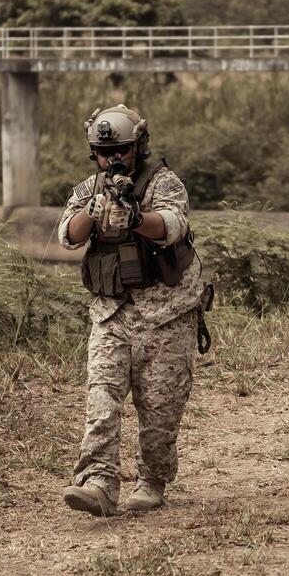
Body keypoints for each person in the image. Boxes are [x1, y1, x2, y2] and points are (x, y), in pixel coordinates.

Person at [57, 104, 206, 517]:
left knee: (160, 411)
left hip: (166, 315)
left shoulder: (165, 183)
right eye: (105, 153)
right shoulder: (90, 188)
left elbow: (172, 224)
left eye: (121, 150)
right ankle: (98, 482)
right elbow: (67, 236)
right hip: (112, 314)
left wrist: (136, 217)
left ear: (137, 146)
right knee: (101, 398)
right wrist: (93, 213)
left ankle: (152, 480)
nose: (113, 159)